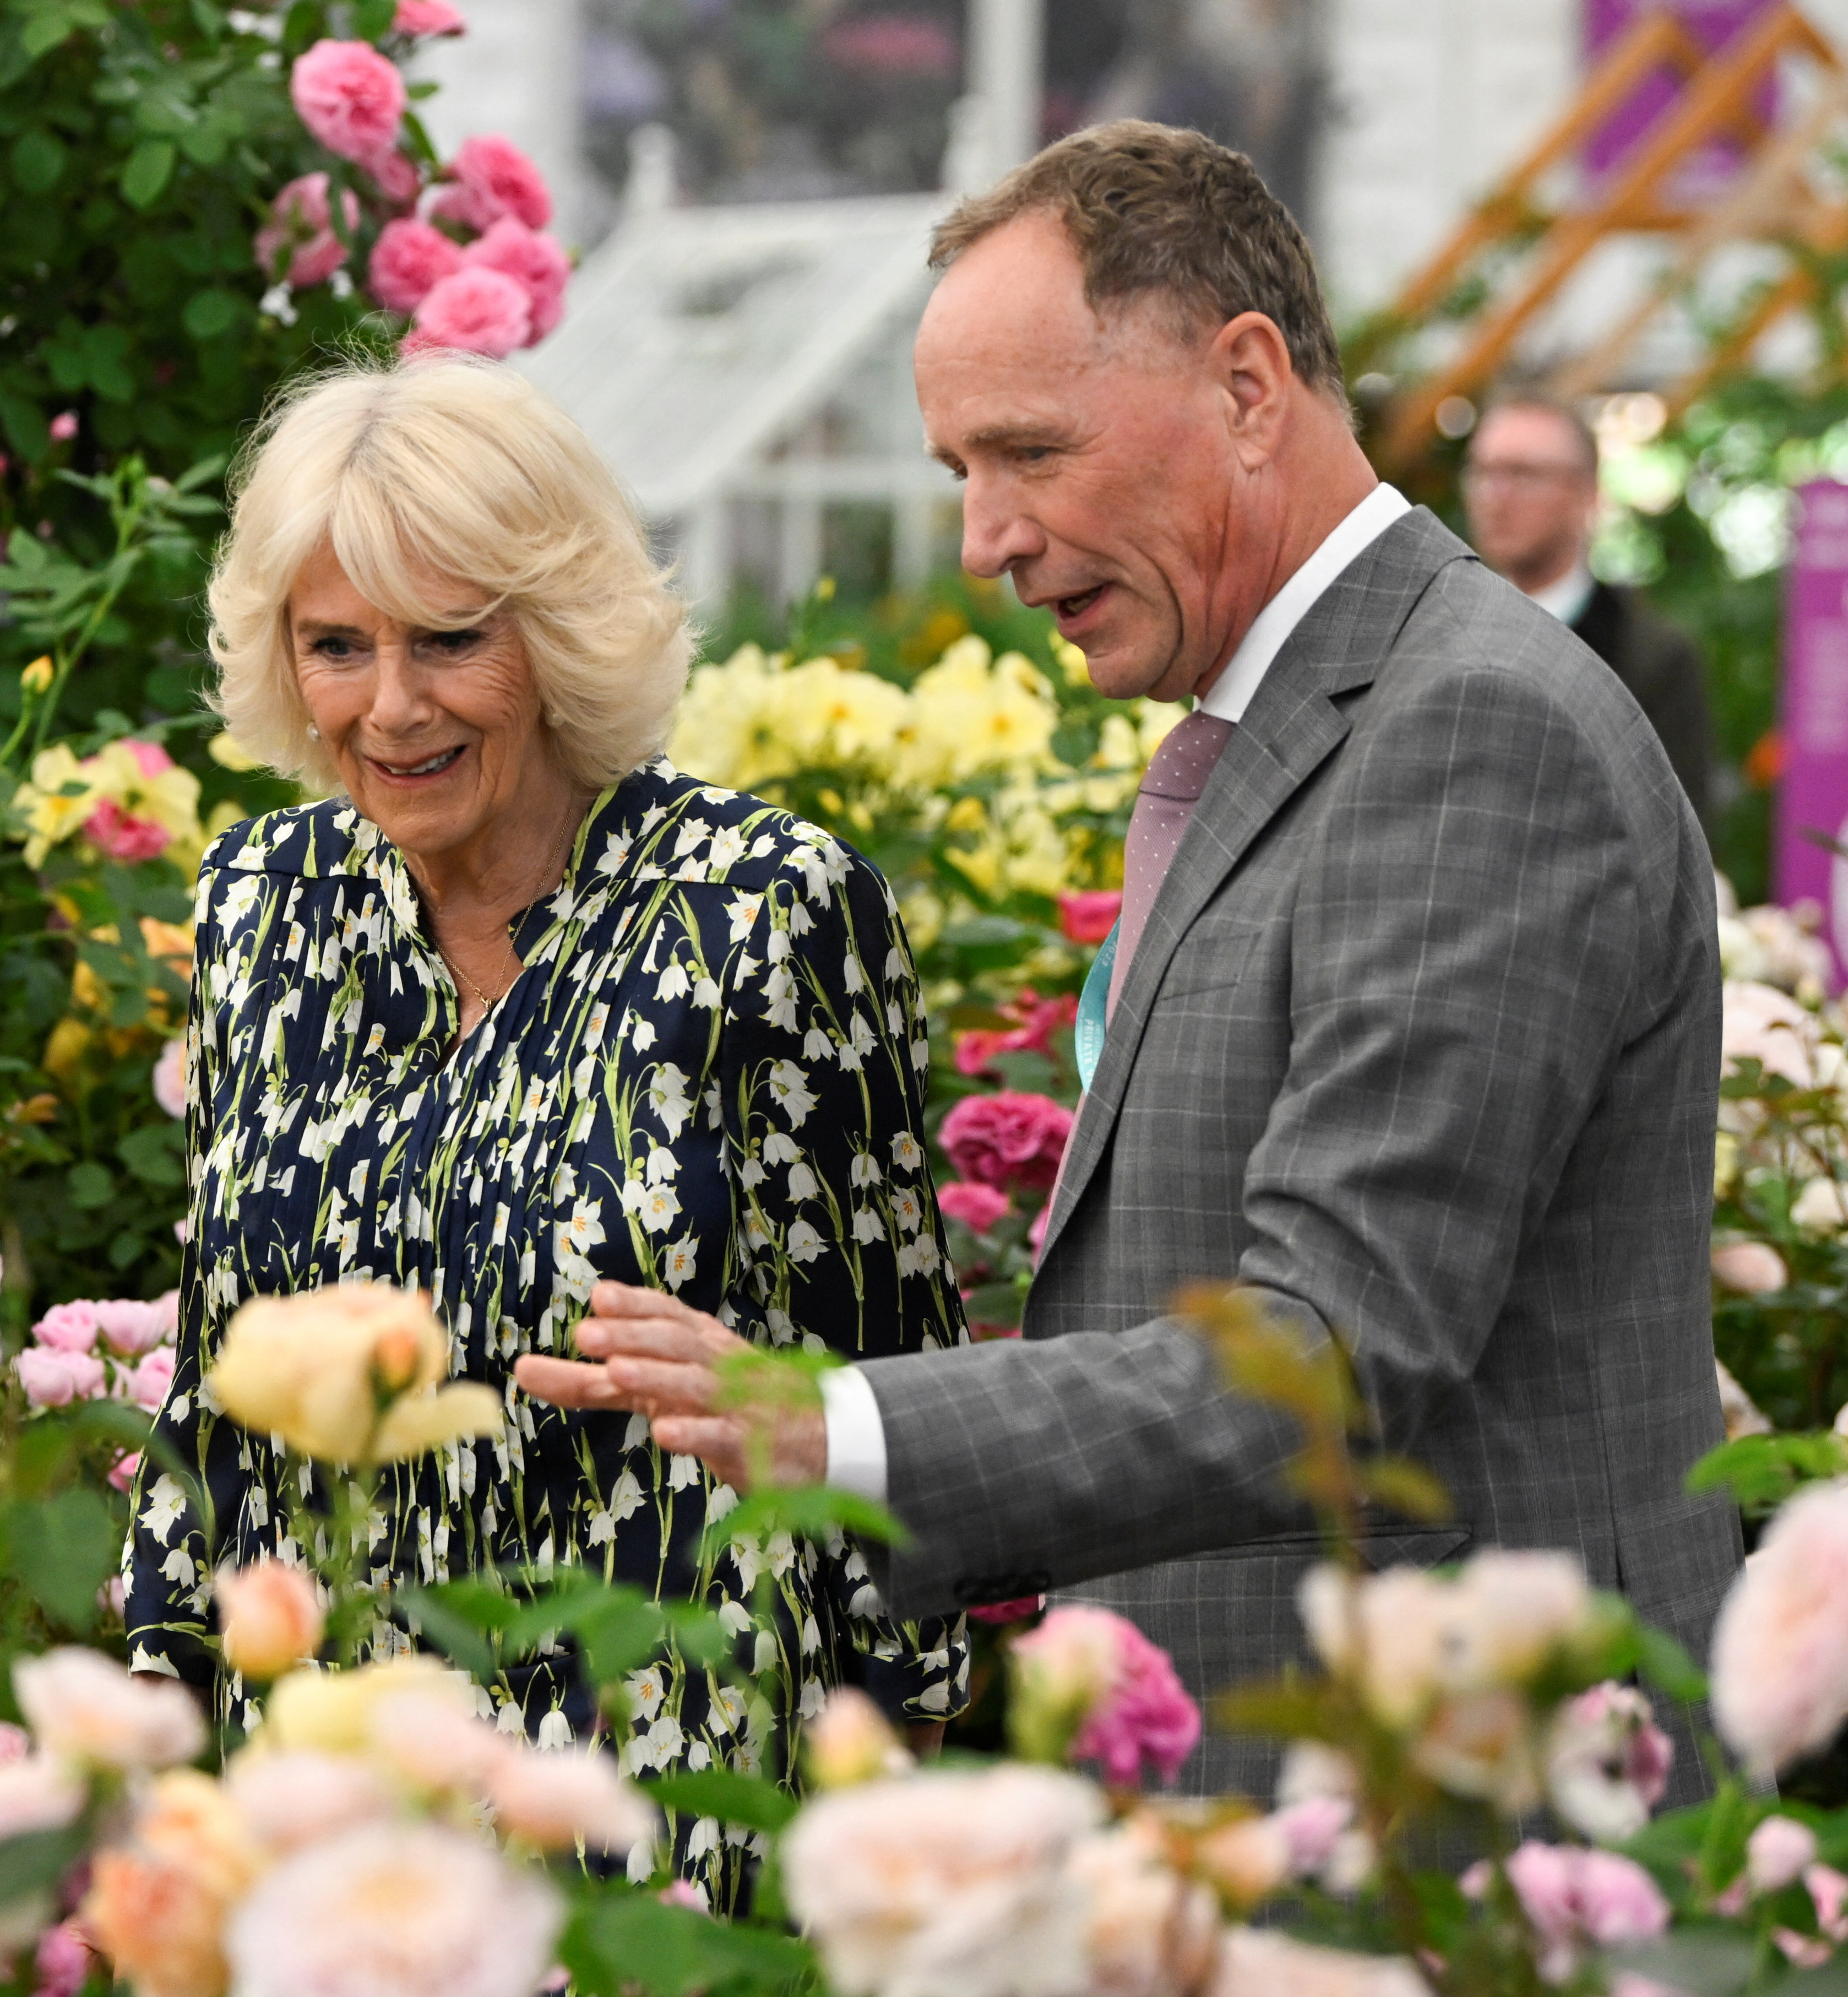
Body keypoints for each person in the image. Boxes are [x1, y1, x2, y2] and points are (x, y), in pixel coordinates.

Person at [518, 121, 1743, 1794]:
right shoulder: (1318, 714)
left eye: (1028, 452)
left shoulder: (1470, 731)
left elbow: (1332, 1347)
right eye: (959, 470)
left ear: (1248, 386)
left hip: (1453, 1837)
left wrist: (834, 1425)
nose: (983, 540)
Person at [122, 356, 968, 1887]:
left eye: (451, 638)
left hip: (658, 1801)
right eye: (335, 645)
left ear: (556, 629)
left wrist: (889, 1796)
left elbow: (894, 1379)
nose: (391, 705)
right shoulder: (261, 902)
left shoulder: (763, 909)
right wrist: (157, 1732)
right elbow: (216, 1377)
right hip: (329, 1805)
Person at [1463, 395, 1717, 831]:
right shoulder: (1444, 631)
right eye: (1484, 472)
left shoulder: (1651, 657)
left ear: (1587, 494)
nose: (1496, 496)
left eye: (1523, 474)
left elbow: (1679, 832)